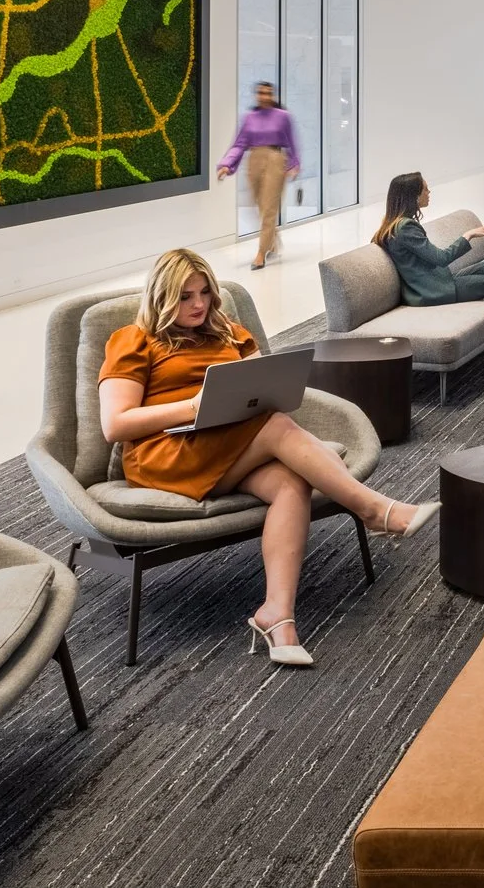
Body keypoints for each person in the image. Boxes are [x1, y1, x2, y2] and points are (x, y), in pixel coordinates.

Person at [98, 249, 437, 668]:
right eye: (185, 296)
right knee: (275, 426)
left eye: (205, 292)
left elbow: (259, 392)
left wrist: (261, 393)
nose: (199, 304)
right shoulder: (133, 340)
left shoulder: (230, 333)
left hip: (230, 447)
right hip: (167, 453)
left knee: (290, 482)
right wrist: (194, 406)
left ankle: (277, 616)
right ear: (161, 296)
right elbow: (115, 424)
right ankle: (372, 508)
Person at [374, 174, 484, 366]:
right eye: (425, 189)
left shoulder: (391, 226)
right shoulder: (406, 228)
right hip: (434, 291)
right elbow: (441, 258)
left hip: (439, 281)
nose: (429, 193)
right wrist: (468, 235)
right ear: (414, 195)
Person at [215, 81, 298, 269]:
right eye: (261, 93)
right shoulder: (250, 118)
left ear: (273, 95)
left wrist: (294, 163)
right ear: (257, 95)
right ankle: (273, 241)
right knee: (257, 205)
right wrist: (226, 165)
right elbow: (239, 144)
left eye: (269, 93)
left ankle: (261, 254)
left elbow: (292, 142)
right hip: (254, 160)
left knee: (269, 208)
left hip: (276, 159)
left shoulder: (283, 117)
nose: (265, 96)